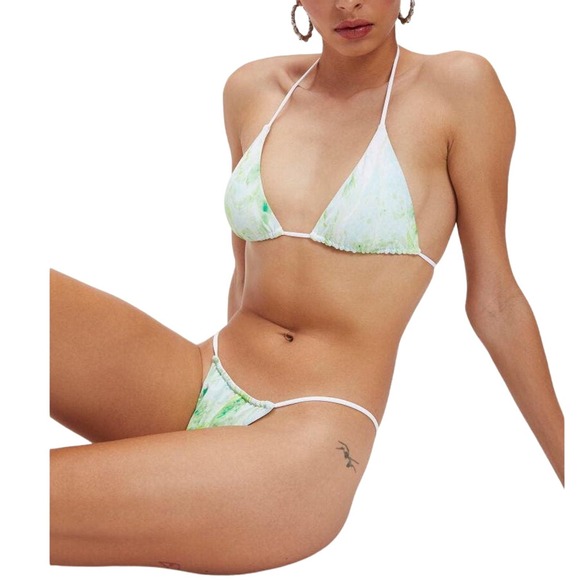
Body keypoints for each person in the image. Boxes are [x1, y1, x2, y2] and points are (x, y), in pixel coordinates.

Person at [50, 0, 565, 575]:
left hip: (309, 441)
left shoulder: (459, 88)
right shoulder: (252, 89)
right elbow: (243, 274)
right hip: (203, 377)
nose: (347, 3)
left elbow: (496, 302)